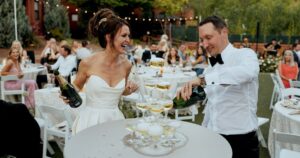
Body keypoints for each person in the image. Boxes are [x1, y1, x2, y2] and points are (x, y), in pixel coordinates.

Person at [177, 16, 260, 158]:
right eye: (202, 39)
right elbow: (213, 104)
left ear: (224, 32)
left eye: (208, 37)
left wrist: (203, 79)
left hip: (241, 141)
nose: (204, 43)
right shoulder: (211, 67)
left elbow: (247, 72)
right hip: (213, 137)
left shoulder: (245, 55)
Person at [65, 8, 138, 134]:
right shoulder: (87, 63)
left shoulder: (127, 65)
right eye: (124, 35)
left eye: (129, 36)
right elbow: (76, 86)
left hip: (115, 121)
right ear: (109, 37)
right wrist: (67, 94)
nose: (128, 40)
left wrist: (129, 89)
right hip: (90, 123)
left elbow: (122, 91)